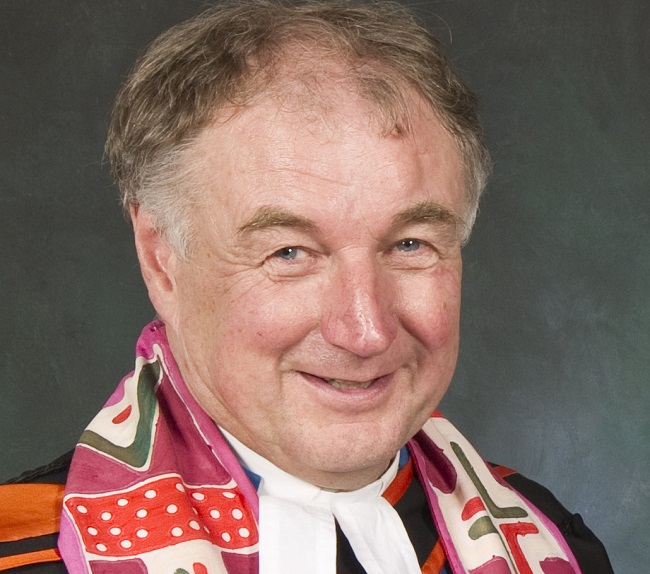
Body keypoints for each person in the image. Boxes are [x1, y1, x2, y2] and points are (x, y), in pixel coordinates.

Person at [0, 1, 613, 573]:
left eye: (409, 245)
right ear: (161, 260)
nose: (365, 330)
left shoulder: (557, 545)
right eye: (289, 252)